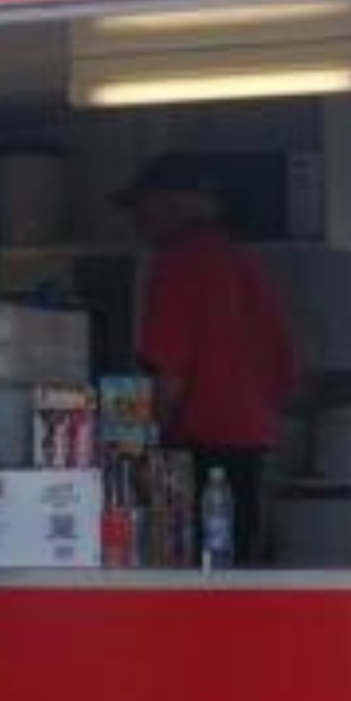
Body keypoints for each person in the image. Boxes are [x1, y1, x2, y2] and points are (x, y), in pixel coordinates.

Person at [117, 153, 299, 563]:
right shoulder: (248, 265)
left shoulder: (179, 264)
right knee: (238, 575)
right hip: (252, 460)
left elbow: (168, 373)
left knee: (190, 577)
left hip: (197, 461)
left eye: (141, 206)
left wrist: (142, 450)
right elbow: (286, 376)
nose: (137, 221)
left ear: (171, 202)